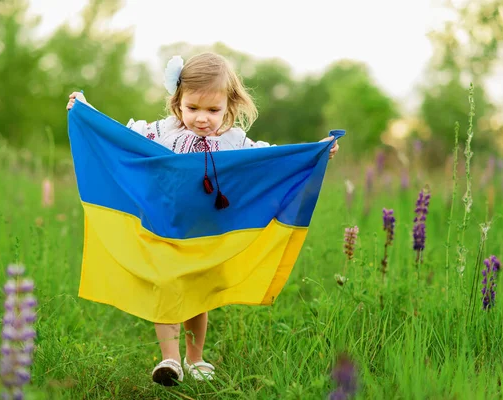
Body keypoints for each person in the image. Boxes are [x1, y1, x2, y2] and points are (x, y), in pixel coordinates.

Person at [66, 52, 339, 386]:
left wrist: (316, 151)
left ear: (230, 107)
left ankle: (195, 360)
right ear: (177, 102)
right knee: (166, 288)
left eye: (213, 110)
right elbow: (119, 136)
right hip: (165, 227)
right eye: (192, 108)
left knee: (197, 295)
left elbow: (271, 159)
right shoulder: (160, 134)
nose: (201, 119)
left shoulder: (233, 142)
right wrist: (85, 111)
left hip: (206, 234)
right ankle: (169, 359)